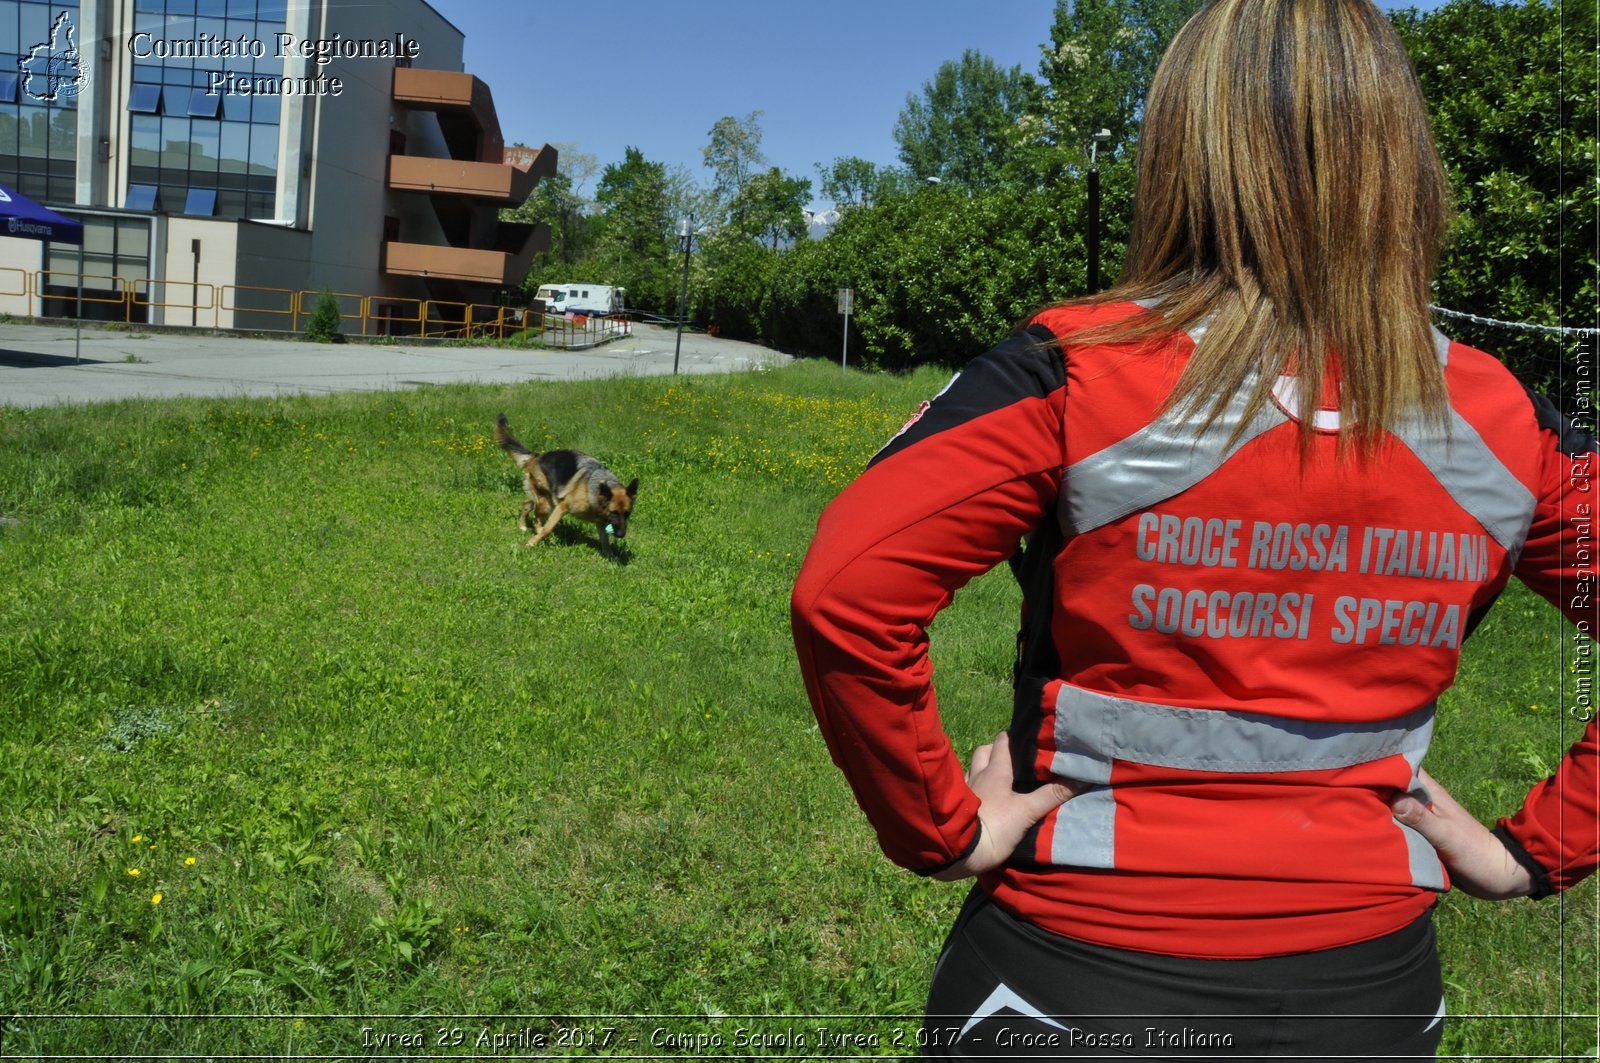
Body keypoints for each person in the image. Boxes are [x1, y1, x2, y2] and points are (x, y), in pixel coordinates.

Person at [789, 0, 1598, 1057]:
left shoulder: (1074, 369)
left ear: (1182, 148)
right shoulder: (1499, 418)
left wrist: (944, 830)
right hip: (1370, 1003)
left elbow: (845, 592)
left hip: (1074, 984)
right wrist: (1535, 854)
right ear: (1400, 158)